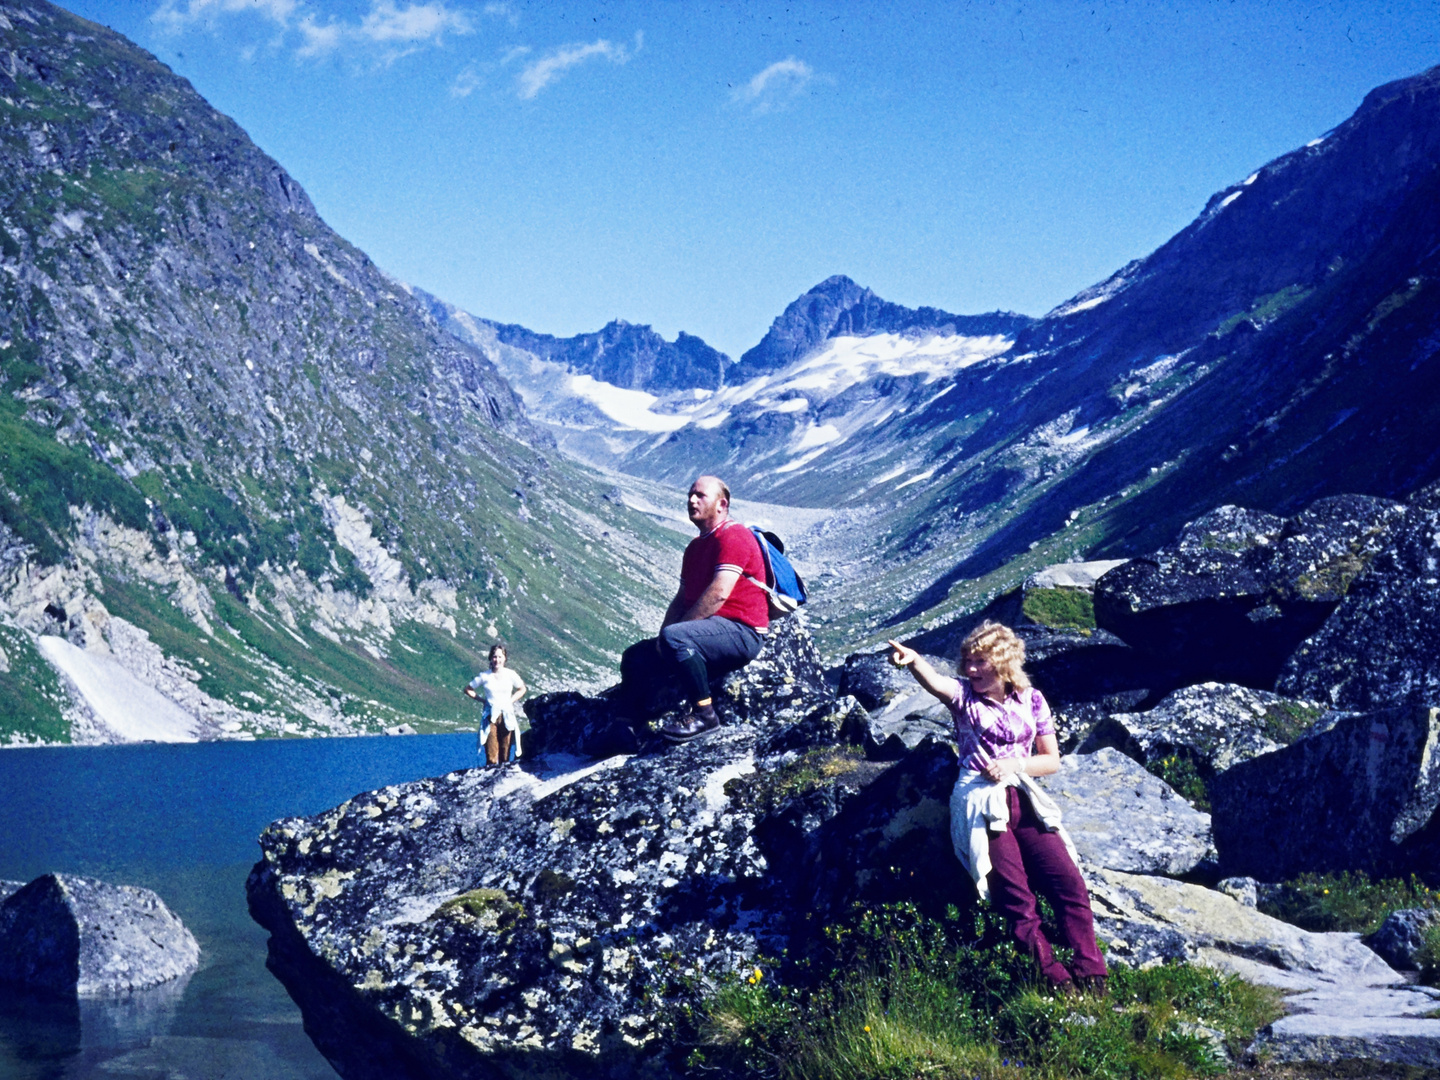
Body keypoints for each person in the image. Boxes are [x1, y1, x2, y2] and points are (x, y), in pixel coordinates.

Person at [888, 621, 1108, 997]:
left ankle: (1091, 970)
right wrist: (914, 662)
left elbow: (1051, 760)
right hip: (980, 799)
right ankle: (1052, 975)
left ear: (1003, 664)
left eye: (979, 662)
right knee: (1014, 894)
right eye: (967, 661)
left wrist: (1014, 766)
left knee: (1068, 882)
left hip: (1022, 795)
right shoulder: (963, 697)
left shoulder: (1032, 699)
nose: (969, 669)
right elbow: (938, 684)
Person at [619, 475, 770, 743]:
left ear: (722, 505)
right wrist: (663, 636)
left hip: (741, 631)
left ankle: (705, 714)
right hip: (710, 630)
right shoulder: (695, 547)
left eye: (700, 496)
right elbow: (682, 597)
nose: (691, 500)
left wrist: (674, 635)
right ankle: (626, 728)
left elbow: (718, 594)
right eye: (690, 494)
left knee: (676, 638)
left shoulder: (734, 536)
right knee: (635, 656)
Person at [465, 643, 527, 766]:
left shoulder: (511, 674)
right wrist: (482, 700)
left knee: (505, 753)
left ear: (505, 658)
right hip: (490, 717)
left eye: (500, 657)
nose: (497, 660)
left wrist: (510, 700)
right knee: (491, 754)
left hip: (507, 715)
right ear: (490, 658)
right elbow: (468, 689)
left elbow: (522, 689)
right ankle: (490, 780)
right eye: (494, 657)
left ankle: (504, 781)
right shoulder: (484, 676)